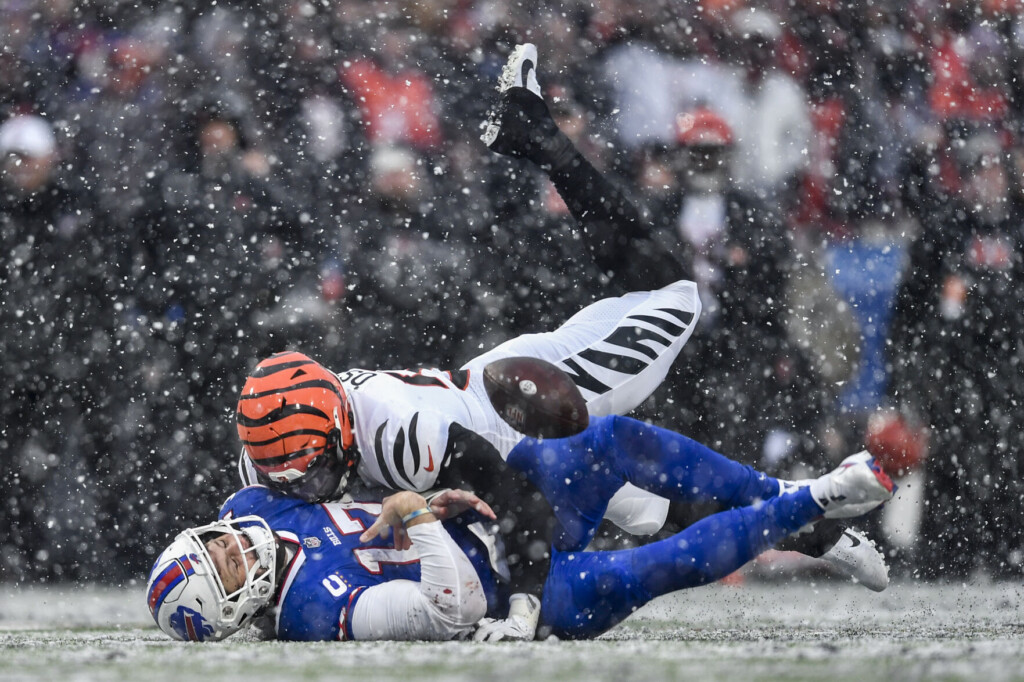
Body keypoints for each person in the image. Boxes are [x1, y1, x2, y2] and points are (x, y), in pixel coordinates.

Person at [232, 46, 889, 639]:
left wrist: (523, 605)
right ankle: (818, 528)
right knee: (652, 512)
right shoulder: (273, 451)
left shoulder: (402, 435)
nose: (310, 487)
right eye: (295, 475)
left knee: (674, 297)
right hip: (488, 410)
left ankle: (543, 141)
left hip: (511, 408)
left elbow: (514, 497)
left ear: (341, 427)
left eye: (316, 468)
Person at [146, 426, 896, 643]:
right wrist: (416, 513)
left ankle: (808, 521)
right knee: (661, 565)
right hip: (519, 600)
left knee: (606, 439)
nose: (230, 546)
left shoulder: (252, 504)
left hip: (498, 520)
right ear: (233, 609)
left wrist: (425, 500)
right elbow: (453, 611)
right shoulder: (314, 610)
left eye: (211, 542)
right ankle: (820, 497)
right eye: (222, 567)